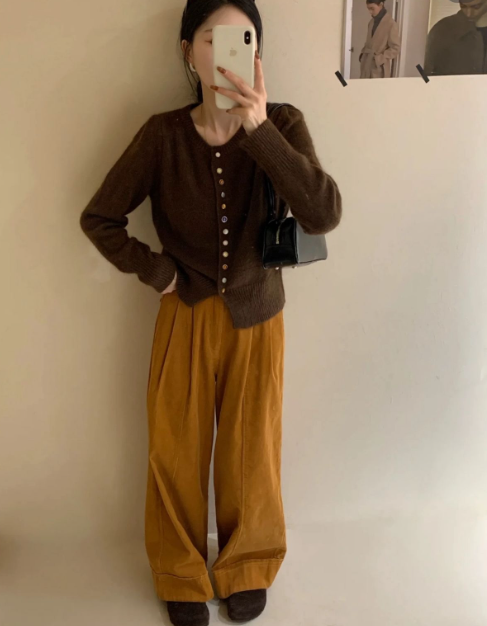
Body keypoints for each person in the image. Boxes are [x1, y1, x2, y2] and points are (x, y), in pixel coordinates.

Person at [79, 1, 342, 625]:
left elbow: (323, 213)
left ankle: (248, 564)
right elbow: (100, 217)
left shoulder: (282, 122)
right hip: (185, 314)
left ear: (258, 52)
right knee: (176, 447)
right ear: (187, 52)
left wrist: (259, 129)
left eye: (244, 39)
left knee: (253, 449)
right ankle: (179, 571)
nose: (228, 52)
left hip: (259, 316)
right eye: (212, 39)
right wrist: (158, 271)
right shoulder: (162, 135)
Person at [424, 0, 487, 76]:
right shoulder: (443, 29)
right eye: (463, 6)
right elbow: (423, 72)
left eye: (476, 7)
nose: (469, 13)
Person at [359, 0, 401, 78]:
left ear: (381, 5)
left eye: (372, 8)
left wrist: (379, 58)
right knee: (364, 85)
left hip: (378, 67)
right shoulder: (371, 22)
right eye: (368, 9)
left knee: (377, 85)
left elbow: (395, 48)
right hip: (366, 63)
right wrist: (362, 55)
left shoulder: (391, 24)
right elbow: (369, 42)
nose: (370, 12)